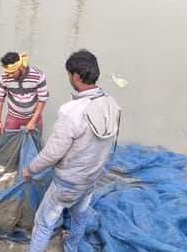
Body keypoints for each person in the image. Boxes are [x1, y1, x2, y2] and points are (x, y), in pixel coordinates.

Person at [22, 49, 121, 252]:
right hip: (92, 177)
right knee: (80, 214)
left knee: (43, 224)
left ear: (76, 75)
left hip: (68, 183)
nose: (68, 77)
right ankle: (71, 246)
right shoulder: (112, 104)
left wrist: (30, 169)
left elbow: (52, 153)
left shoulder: (71, 111)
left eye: (68, 73)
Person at [0, 52, 49, 136]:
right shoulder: (4, 77)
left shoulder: (38, 76)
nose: (10, 75)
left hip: (33, 116)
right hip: (13, 116)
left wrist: (33, 121)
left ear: (21, 68)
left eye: (12, 72)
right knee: (9, 141)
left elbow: (42, 99)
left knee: (36, 142)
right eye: (8, 72)